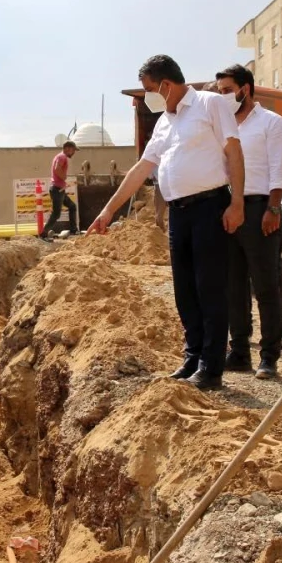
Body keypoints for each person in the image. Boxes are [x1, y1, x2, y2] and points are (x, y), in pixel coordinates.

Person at [90, 54, 245, 391]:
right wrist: (109, 210)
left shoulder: (211, 104)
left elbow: (234, 151)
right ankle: (192, 357)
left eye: (148, 89)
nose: (147, 97)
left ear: (165, 84)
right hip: (180, 213)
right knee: (185, 289)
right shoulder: (164, 122)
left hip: (210, 208)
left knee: (210, 288)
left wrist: (237, 202)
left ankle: (211, 366)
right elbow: (141, 170)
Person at [214, 65, 282, 380]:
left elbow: (280, 168)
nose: (223, 97)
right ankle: (240, 352)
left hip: (260, 210)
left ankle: (269, 356)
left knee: (266, 286)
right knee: (233, 286)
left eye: (227, 90)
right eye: (219, 92)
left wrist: (273, 209)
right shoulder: (221, 127)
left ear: (246, 89)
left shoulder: (271, 124)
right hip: (229, 212)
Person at [43, 141, 79, 237]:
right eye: (73, 150)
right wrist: (63, 177)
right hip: (57, 190)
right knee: (56, 214)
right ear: (68, 149)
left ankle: (74, 230)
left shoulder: (59, 156)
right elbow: (56, 168)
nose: (74, 153)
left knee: (72, 206)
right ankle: (43, 234)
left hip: (59, 189)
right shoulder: (62, 157)